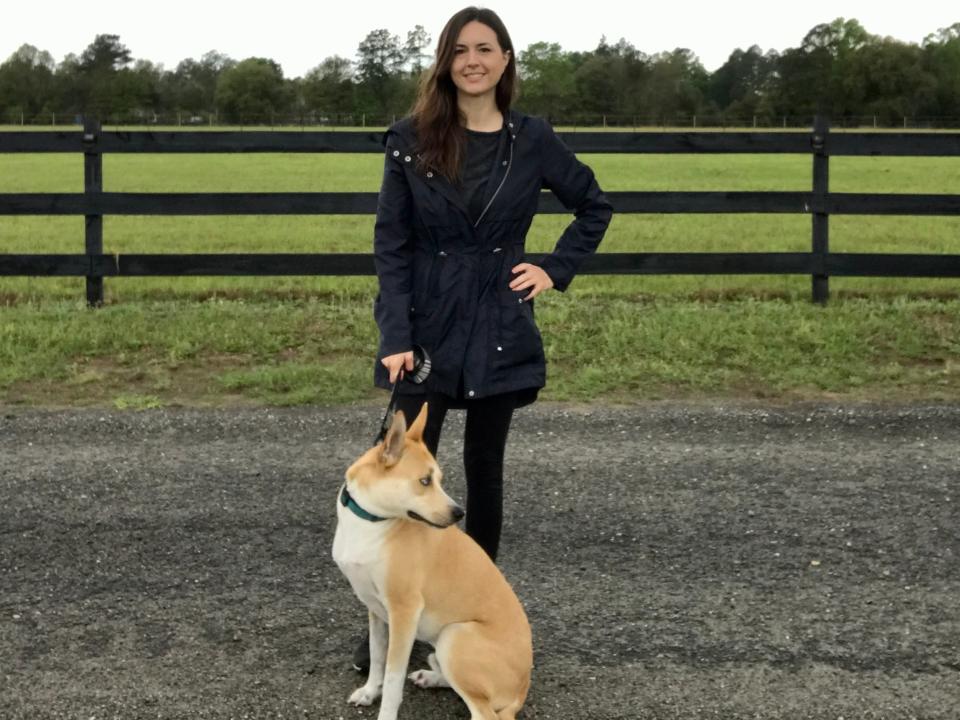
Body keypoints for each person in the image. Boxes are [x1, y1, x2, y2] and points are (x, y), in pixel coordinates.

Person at [356, 5, 612, 670]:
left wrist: (554, 268)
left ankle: (471, 612)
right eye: (462, 49)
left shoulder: (532, 140)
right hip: (426, 331)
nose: (474, 60)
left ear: (505, 60)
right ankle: (390, 627)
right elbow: (393, 245)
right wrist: (395, 333)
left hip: (499, 325)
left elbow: (594, 204)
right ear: (446, 61)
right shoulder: (411, 139)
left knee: (485, 473)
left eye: (487, 48)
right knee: (402, 474)